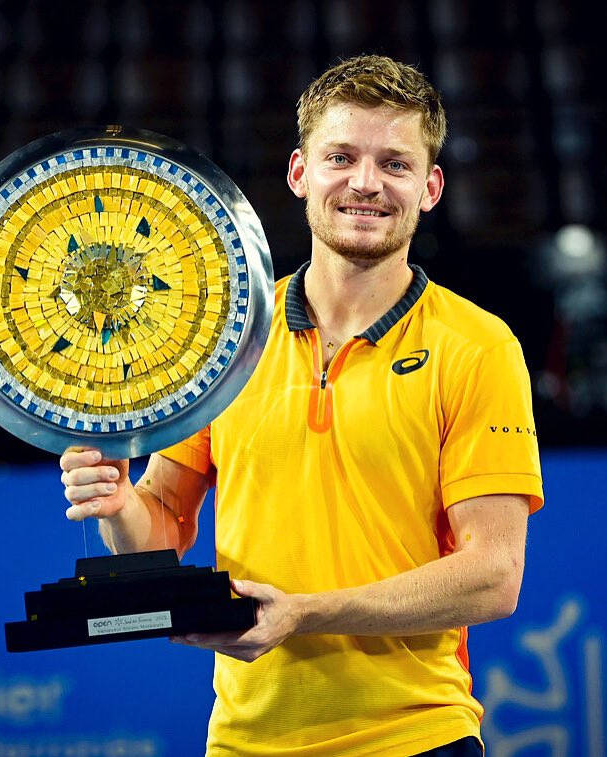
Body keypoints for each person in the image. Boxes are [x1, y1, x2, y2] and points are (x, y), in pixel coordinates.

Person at [59, 55, 544, 757]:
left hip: (415, 736)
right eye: (340, 157)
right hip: (244, 740)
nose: (366, 183)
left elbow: (494, 576)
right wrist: (117, 503)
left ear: (430, 187)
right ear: (299, 173)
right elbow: (159, 531)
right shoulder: (224, 340)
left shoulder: (478, 346)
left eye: (395, 164)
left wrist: (306, 614)